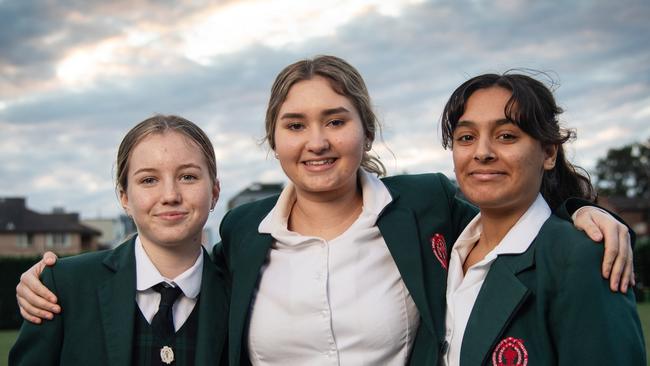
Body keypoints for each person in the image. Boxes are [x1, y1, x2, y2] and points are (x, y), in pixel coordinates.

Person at [16, 57, 634, 366]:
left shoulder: (420, 205)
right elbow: (171, 266)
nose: (316, 142)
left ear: (365, 130)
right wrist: (41, 282)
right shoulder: (243, 233)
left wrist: (586, 213)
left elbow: (502, 196)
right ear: (274, 140)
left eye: (335, 121)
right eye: (295, 125)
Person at [439, 73, 645, 365]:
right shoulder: (447, 245)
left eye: (506, 136)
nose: (482, 152)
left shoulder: (583, 257)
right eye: (467, 137)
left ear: (548, 153)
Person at [10, 115, 228, 365]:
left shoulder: (240, 291)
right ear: (125, 198)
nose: (170, 195)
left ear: (214, 192)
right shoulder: (63, 287)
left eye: (188, 176)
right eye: (149, 180)